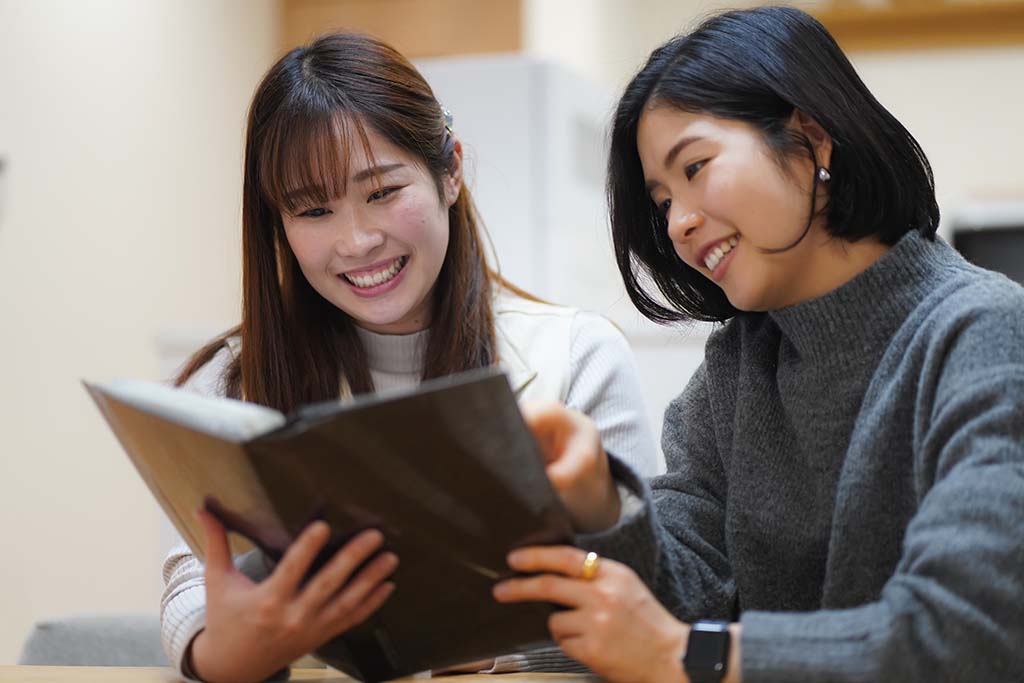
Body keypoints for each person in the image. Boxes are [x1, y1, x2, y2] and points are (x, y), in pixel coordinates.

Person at [493, 6, 1024, 683]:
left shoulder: (984, 332)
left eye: (696, 166)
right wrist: (602, 503)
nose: (679, 224)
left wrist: (681, 654)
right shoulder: (732, 372)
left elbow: (969, 636)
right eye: (661, 201)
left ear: (811, 140)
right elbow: (679, 600)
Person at [160, 31, 659, 683]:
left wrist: (497, 649)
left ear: (449, 169)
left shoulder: (580, 355)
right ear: (276, 223)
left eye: (382, 191)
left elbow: (649, 602)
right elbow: (191, 596)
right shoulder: (230, 380)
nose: (357, 240)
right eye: (313, 209)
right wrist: (231, 653)